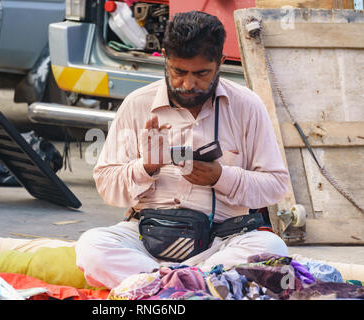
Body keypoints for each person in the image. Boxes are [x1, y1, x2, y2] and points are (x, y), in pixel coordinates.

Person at [75, 11, 290, 289]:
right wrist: (147, 168)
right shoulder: (137, 104)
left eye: (201, 74)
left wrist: (219, 177)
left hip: (222, 241)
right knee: (92, 247)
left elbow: (276, 186)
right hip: (147, 239)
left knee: (271, 247)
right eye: (179, 72)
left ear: (220, 63)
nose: (188, 84)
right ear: (166, 59)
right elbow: (107, 186)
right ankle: (201, 285)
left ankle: (160, 286)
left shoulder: (247, 105)